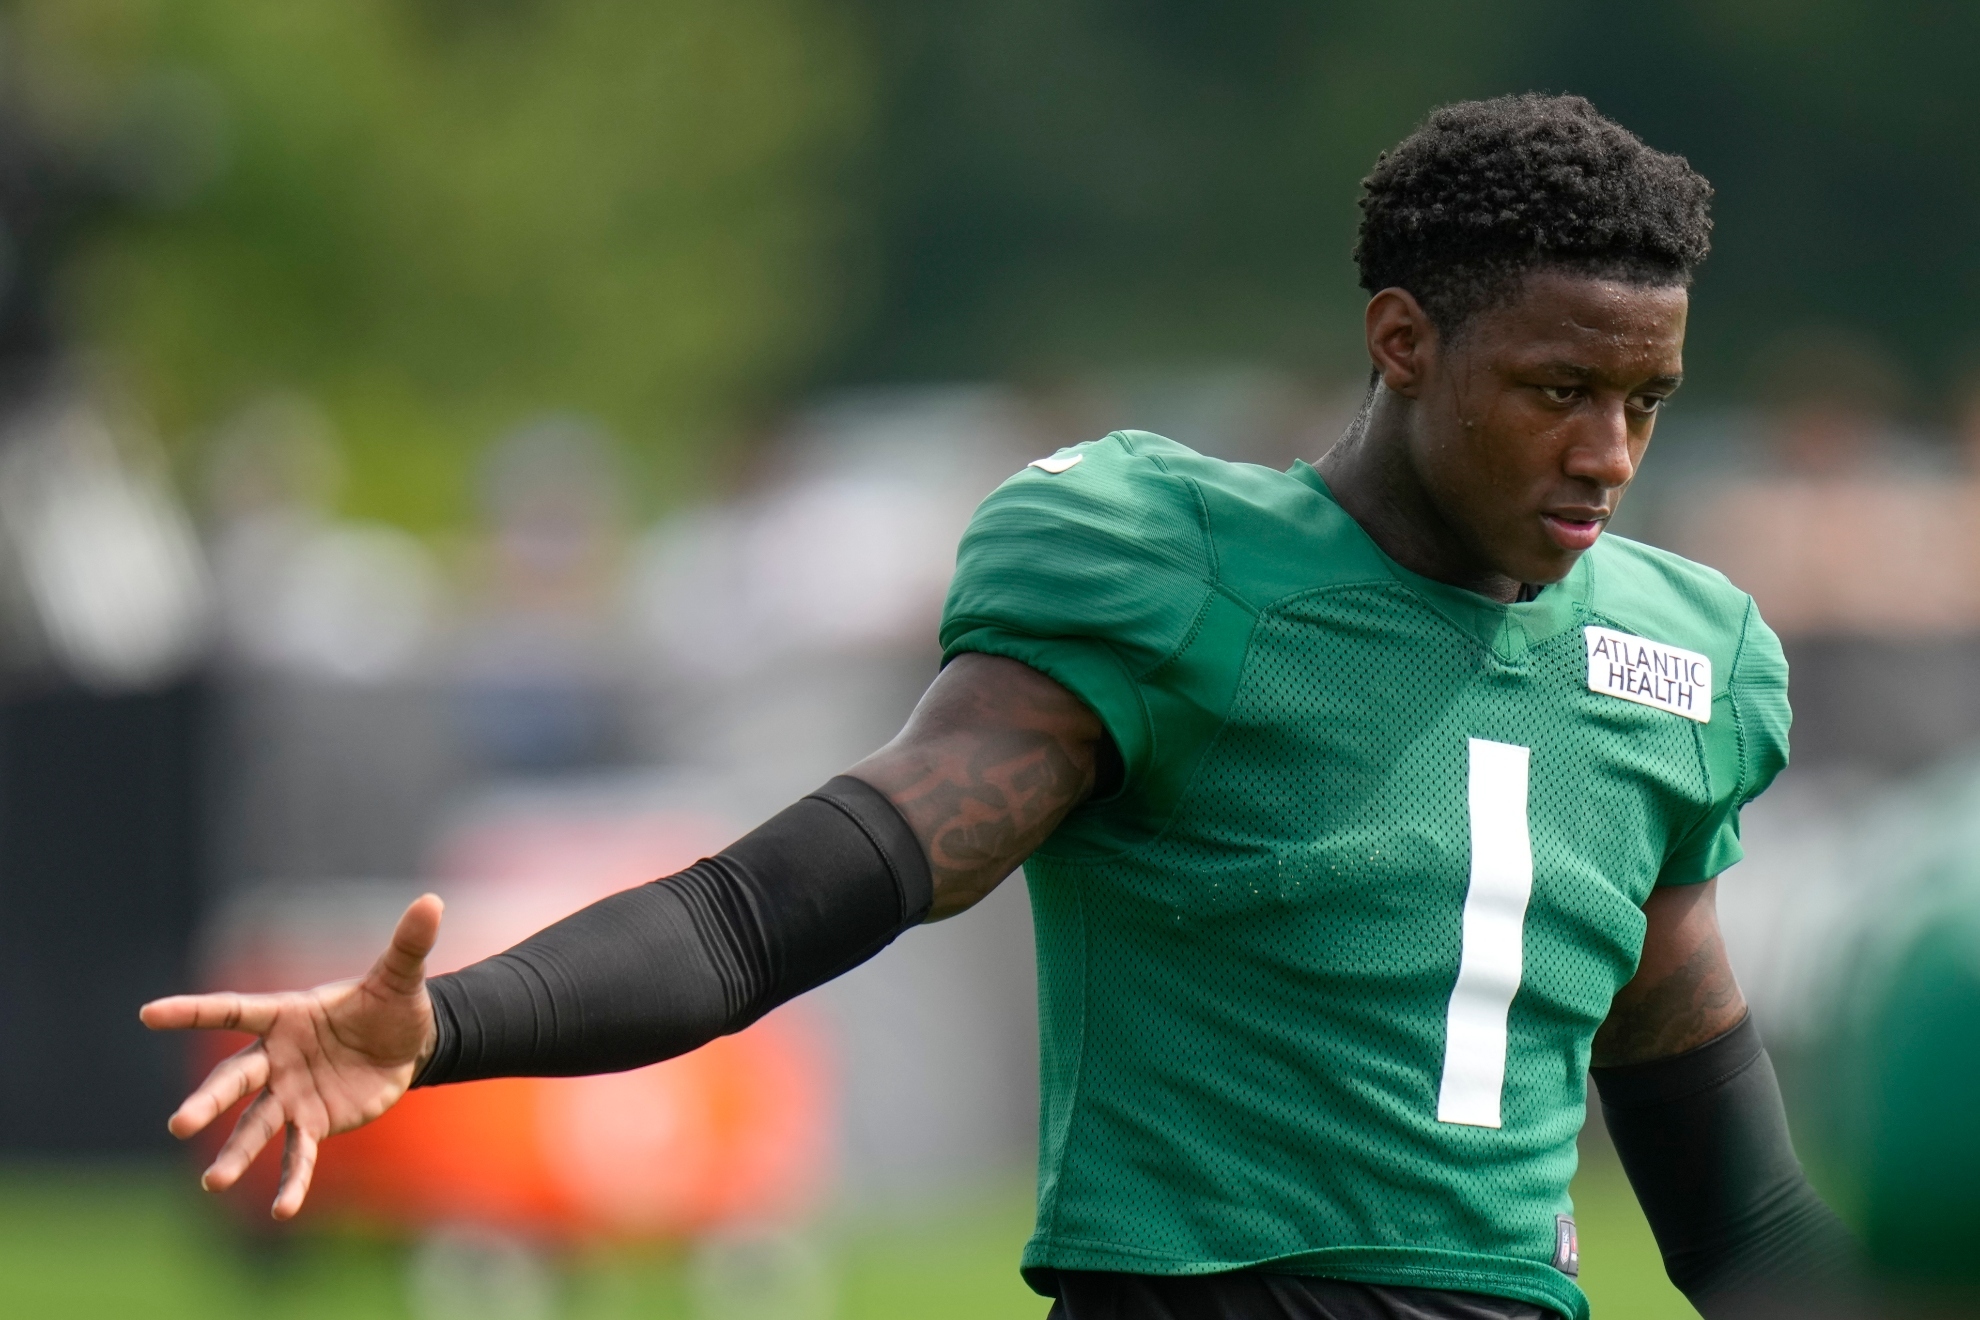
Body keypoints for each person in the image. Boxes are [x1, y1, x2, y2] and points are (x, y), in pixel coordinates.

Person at [144, 95, 1863, 1320]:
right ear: (1401, 341)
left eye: (1646, 400)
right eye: (1557, 390)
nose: (1607, 458)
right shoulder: (1182, 571)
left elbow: (1723, 1174)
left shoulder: (1681, 655)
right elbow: (785, 904)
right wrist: (449, 1026)